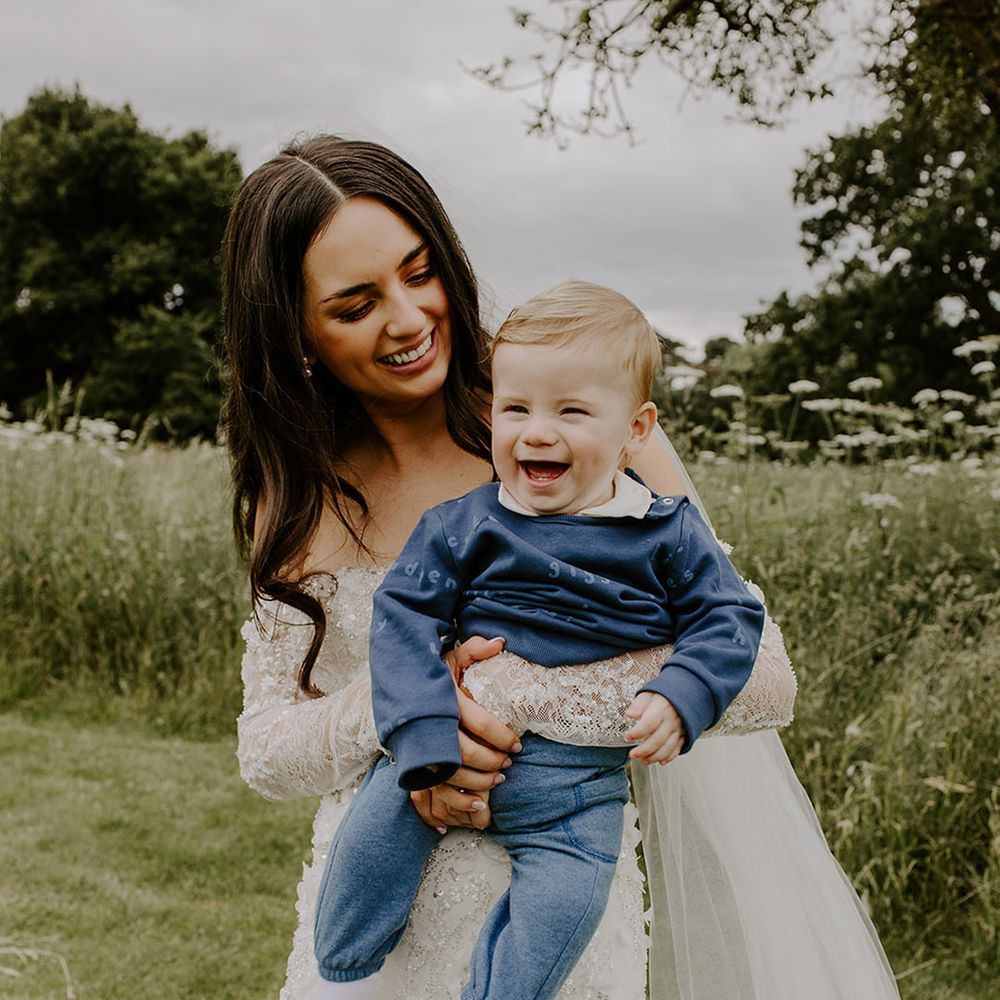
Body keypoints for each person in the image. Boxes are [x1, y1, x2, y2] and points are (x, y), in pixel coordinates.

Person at [227, 135, 901, 999]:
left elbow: (767, 680)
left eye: (420, 270)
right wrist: (409, 711)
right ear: (299, 336)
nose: (407, 317)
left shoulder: (568, 425)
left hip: (564, 898)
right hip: (379, 928)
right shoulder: (297, 496)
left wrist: (518, 694)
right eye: (356, 305)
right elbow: (268, 751)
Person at [311, 281, 766, 998]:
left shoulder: (662, 529)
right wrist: (424, 725)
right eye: (516, 408)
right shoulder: (466, 522)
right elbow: (404, 614)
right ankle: (344, 958)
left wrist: (684, 692)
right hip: (438, 755)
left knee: (564, 907)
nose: (537, 431)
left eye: (572, 411)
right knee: (374, 834)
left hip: (578, 790)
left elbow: (730, 618)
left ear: (637, 429)